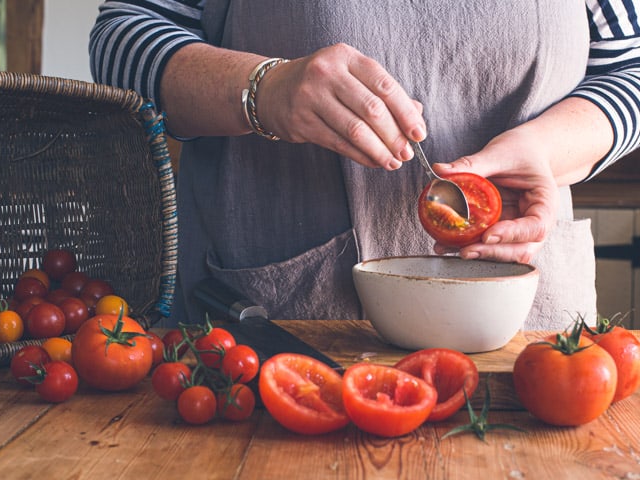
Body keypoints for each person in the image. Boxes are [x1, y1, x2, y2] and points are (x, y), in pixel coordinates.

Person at [89, 1, 640, 330]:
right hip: (278, 325)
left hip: (528, 330)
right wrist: (264, 89)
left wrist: (545, 150)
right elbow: (122, 44)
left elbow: (631, 70)